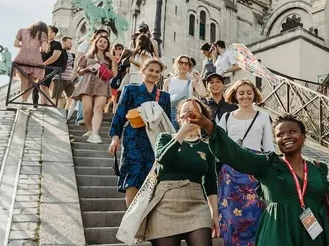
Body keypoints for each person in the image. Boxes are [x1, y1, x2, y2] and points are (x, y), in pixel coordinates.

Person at [185, 112, 329, 246]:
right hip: (278, 234)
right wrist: (208, 125)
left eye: (292, 132)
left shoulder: (318, 169)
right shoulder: (267, 164)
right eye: (280, 135)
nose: (286, 137)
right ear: (275, 141)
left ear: (303, 137)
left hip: (314, 236)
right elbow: (236, 154)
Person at [139, 99, 219, 246]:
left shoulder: (207, 147)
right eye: (186, 111)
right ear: (179, 116)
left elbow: (210, 182)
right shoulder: (165, 138)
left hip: (197, 204)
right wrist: (183, 132)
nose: (189, 114)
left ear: (202, 117)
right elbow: (163, 159)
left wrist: (215, 215)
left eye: (194, 111)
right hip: (166, 202)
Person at [109, 58, 175, 205]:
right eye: (150, 70)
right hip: (133, 138)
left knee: (151, 177)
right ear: (143, 71)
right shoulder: (130, 90)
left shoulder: (164, 96)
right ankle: (131, 215)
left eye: (157, 71)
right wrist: (115, 137)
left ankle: (145, 215)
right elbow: (120, 114)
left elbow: (166, 123)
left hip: (154, 141)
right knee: (133, 175)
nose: (153, 73)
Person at [215, 80, 273, 245]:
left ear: (254, 94)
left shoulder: (263, 117)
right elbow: (220, 145)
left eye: (249, 92)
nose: (245, 96)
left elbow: (268, 147)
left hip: (254, 170)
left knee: (254, 211)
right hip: (230, 171)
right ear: (235, 95)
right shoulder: (226, 117)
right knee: (230, 213)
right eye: (241, 93)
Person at [73, 35, 117, 144]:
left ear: (108, 45)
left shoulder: (109, 58)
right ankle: (90, 129)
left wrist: (112, 59)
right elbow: (79, 72)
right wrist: (87, 69)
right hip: (88, 82)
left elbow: (114, 74)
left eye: (105, 42)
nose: (102, 43)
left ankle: (95, 134)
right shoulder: (87, 56)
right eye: (100, 41)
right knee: (87, 109)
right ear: (96, 43)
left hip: (102, 83)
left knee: (98, 108)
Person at [12, 21, 49, 104]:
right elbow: (43, 49)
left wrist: (24, 47)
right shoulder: (43, 34)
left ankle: (24, 101)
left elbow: (15, 44)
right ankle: (24, 101)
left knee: (24, 81)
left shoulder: (22, 31)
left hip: (22, 58)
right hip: (35, 59)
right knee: (32, 82)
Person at [166, 55, 206, 119]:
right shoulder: (168, 81)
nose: (183, 65)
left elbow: (203, 94)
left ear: (189, 67)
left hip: (186, 114)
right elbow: (164, 100)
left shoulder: (192, 83)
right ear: (176, 64)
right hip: (170, 113)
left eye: (186, 63)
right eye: (181, 63)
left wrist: (199, 79)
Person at [53, 36, 78, 118]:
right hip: (59, 78)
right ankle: (56, 114)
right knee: (56, 97)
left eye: (71, 43)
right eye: (69, 43)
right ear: (63, 42)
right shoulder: (59, 53)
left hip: (69, 80)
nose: (71, 45)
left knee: (72, 98)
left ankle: (66, 113)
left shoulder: (72, 55)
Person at [40, 25, 65, 102]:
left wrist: (44, 64)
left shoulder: (56, 44)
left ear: (55, 34)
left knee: (44, 86)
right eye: (48, 31)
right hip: (43, 68)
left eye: (52, 32)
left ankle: (47, 104)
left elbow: (55, 56)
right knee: (42, 87)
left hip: (50, 68)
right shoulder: (44, 45)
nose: (49, 33)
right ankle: (44, 103)